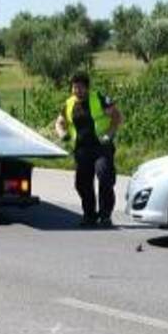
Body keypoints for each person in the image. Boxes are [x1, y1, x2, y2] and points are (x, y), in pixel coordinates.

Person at [52, 72, 123, 226]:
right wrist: (62, 134)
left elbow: (117, 117)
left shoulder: (99, 99)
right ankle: (89, 215)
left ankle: (105, 216)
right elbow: (59, 122)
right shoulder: (69, 104)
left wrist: (109, 135)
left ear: (87, 88)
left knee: (104, 177)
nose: (77, 91)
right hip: (82, 149)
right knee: (82, 183)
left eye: (81, 88)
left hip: (101, 148)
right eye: (74, 87)